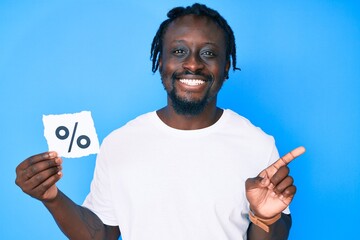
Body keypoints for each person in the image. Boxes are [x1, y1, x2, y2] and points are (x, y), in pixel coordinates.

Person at [15, 3, 305, 240]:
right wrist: (51, 197)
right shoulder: (120, 143)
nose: (192, 64)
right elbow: (102, 234)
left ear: (226, 66)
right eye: (179, 52)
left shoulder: (257, 144)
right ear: (160, 62)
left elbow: (272, 234)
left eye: (209, 53)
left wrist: (266, 216)